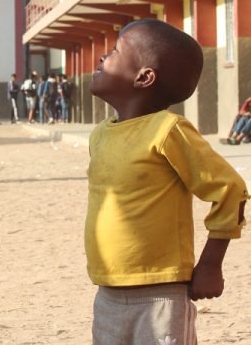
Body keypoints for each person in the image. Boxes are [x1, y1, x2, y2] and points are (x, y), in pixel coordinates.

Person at [86, 18, 248, 345]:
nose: (103, 56)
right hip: (107, 292)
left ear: (144, 77)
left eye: (115, 51)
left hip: (161, 295)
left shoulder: (168, 130)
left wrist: (211, 264)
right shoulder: (101, 134)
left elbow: (230, 190)